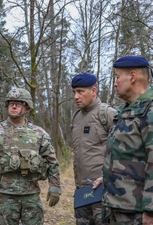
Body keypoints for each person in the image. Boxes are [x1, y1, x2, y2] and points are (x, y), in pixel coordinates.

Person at [0, 88, 61, 225]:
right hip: (5, 195)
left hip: (31, 194)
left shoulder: (39, 134)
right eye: (11, 103)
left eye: (18, 103)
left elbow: (52, 161)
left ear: (27, 107)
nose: (13, 106)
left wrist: (55, 187)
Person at [102, 56, 153, 224]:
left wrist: (150, 210)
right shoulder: (125, 111)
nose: (115, 83)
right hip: (117, 205)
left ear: (132, 77)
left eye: (117, 77)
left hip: (138, 212)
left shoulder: (149, 110)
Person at [71, 73, 117, 225]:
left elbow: (124, 150)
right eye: (74, 92)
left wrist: (109, 177)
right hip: (82, 192)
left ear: (94, 91)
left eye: (80, 91)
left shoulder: (107, 113)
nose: (76, 96)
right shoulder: (77, 117)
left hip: (103, 191)